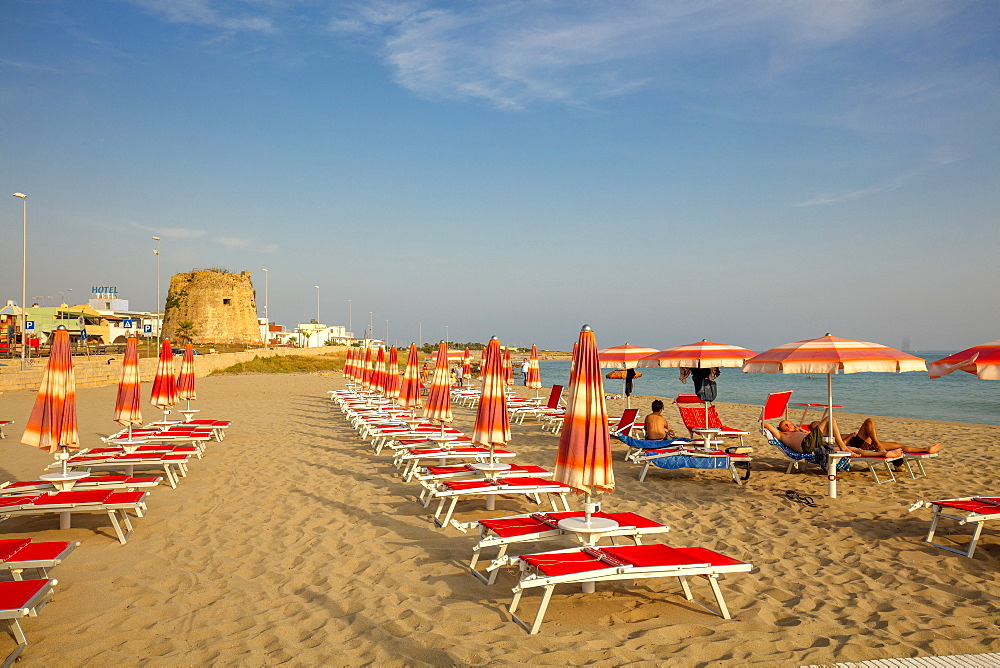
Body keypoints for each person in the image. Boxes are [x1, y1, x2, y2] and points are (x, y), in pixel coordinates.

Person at [763, 416, 941, 457]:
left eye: (790, 422)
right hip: (813, 445)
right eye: (786, 424)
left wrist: (802, 431)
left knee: (893, 444)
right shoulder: (783, 434)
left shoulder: (803, 432)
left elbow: (820, 437)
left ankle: (926, 449)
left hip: (818, 443)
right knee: (831, 419)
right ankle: (878, 448)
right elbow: (765, 422)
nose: (791, 425)